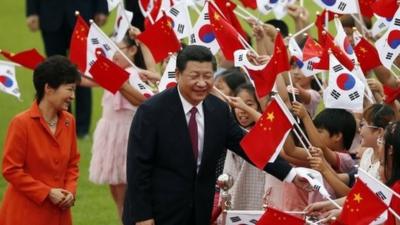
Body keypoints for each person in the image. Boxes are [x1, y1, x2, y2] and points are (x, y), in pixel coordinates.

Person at [122, 45, 306, 225]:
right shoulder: (152, 112)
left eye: (207, 76)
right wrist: (143, 217)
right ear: (177, 74)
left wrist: (290, 174)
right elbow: (138, 169)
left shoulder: (218, 110)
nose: (202, 83)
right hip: (157, 212)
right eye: (194, 76)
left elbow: (249, 146)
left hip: (198, 212)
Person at [0, 56, 81, 225]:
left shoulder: (69, 121)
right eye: (69, 89)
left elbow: (72, 164)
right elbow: (11, 170)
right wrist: (47, 192)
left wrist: (70, 192)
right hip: (26, 214)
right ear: (49, 89)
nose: (73, 96)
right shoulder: (21, 123)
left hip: (60, 214)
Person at [89, 31, 157, 220]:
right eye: (109, 49)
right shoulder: (111, 70)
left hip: (127, 134)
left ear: (132, 50)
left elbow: (143, 99)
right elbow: (86, 79)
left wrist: (143, 42)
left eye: (118, 49)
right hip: (111, 133)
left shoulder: (134, 74)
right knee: (116, 186)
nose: (113, 54)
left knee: (128, 189)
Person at [26, 0, 109, 138]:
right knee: (54, 74)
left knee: (82, 71)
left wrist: (101, 8)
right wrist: (32, 11)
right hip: (50, 15)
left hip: (82, 13)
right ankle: (60, 123)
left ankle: (82, 128)